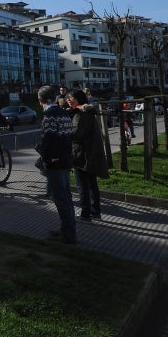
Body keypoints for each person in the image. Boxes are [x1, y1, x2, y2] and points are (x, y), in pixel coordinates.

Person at [36, 85, 75, 243]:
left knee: (60, 199)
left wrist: (47, 160)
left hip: (56, 163)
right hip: (66, 160)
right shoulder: (64, 113)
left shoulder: (49, 115)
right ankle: (66, 228)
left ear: (40, 101)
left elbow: (49, 140)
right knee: (66, 197)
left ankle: (68, 234)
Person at [67, 89, 109, 221]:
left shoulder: (81, 114)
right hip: (89, 152)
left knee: (82, 185)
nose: (69, 101)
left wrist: (64, 133)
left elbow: (76, 134)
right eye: (67, 98)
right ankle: (96, 212)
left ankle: (86, 213)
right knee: (91, 184)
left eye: (71, 98)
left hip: (82, 154)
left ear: (79, 99)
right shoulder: (86, 111)